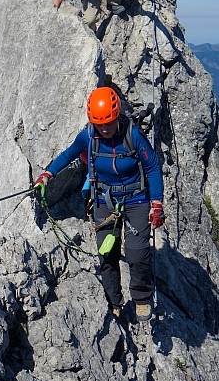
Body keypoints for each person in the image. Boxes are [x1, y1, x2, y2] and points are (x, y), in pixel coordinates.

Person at [33, 86, 165, 323]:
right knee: (107, 254)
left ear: (116, 117)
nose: (104, 129)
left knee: (136, 253)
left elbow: (153, 168)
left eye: (108, 123)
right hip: (105, 200)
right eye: (99, 123)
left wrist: (156, 204)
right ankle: (113, 302)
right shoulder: (89, 135)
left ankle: (142, 298)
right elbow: (68, 155)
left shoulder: (133, 135)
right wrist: (47, 175)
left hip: (136, 199)